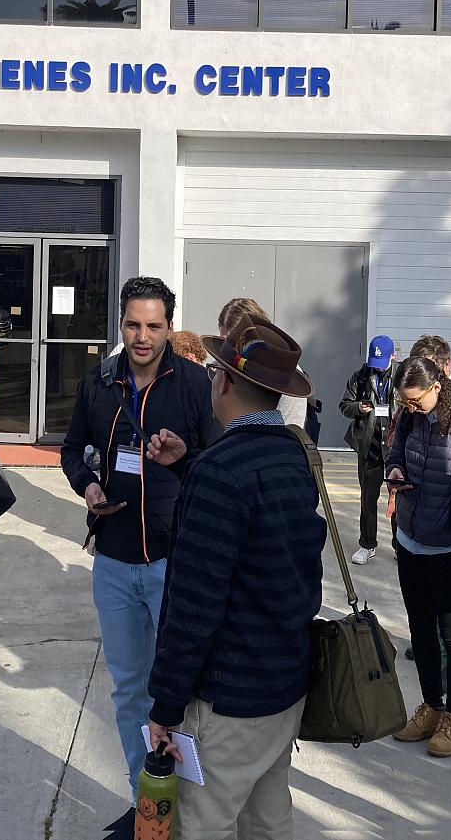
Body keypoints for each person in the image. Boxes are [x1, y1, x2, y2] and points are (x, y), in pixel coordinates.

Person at [147, 313, 325, 839]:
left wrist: (166, 703)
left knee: (205, 826)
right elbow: (257, 524)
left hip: (228, 698)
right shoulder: (293, 454)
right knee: (268, 821)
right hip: (283, 685)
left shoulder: (220, 473)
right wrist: (192, 464)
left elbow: (193, 605)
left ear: (222, 380)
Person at [61, 277, 218, 835]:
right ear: (120, 325)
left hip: (175, 562)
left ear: (169, 327)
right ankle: (145, 801)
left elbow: (217, 464)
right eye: (133, 325)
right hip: (114, 558)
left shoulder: (196, 384)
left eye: (153, 326)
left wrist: (180, 459)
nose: (142, 337)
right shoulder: (99, 382)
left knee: (183, 693)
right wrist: (87, 485)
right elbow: (70, 447)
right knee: (130, 689)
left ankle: (193, 806)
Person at [386, 356, 451, 757]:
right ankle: (431, 705)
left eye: (415, 401)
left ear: (436, 387)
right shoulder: (410, 418)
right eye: (404, 402)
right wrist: (395, 473)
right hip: (411, 541)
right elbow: (394, 453)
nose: (409, 408)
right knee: (420, 628)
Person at [217, 297, 317, 436]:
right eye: (223, 341)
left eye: (233, 341)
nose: (228, 350)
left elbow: (292, 424)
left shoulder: (284, 373)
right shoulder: (225, 366)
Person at [339, 334, 396, 564]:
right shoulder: (360, 376)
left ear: (394, 356)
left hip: (395, 447)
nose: (378, 369)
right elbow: (344, 405)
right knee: (368, 498)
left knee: (398, 500)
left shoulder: (403, 375)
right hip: (369, 444)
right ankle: (367, 544)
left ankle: (399, 545)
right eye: (375, 363)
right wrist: (358, 408)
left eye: (382, 363)